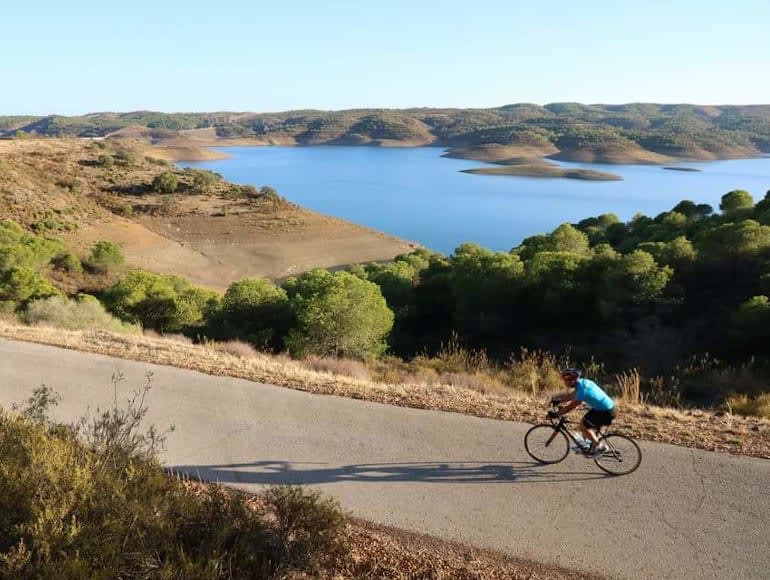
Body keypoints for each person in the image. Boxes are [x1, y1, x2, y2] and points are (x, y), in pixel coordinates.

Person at [549, 368, 616, 456]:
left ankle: (600, 446)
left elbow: (572, 406)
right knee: (584, 422)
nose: (565, 383)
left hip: (605, 412)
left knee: (583, 426)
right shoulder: (583, 382)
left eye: (566, 380)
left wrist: (557, 414)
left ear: (572, 380)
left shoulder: (581, 388)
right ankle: (588, 445)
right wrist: (559, 401)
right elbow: (572, 395)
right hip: (605, 408)